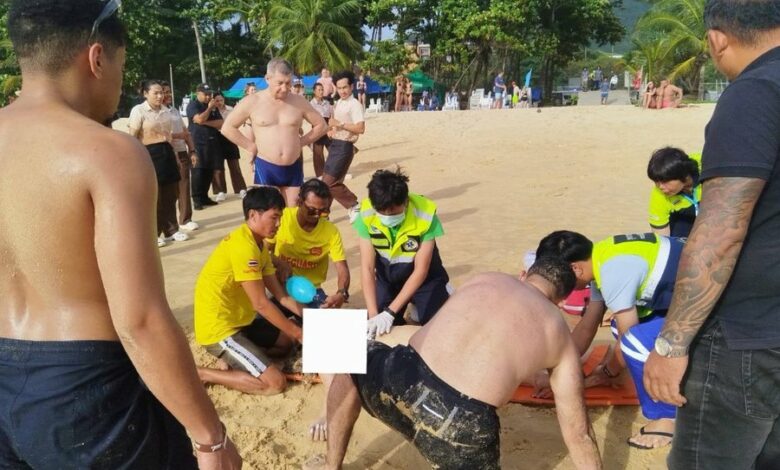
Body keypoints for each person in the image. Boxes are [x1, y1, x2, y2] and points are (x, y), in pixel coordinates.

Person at [0, 1, 241, 467]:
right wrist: (210, 438)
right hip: (83, 390)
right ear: (96, 58)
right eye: (121, 65)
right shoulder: (107, 152)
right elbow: (140, 321)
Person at [644, 2, 780, 468]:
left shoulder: (755, 93)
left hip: (749, 334)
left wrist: (671, 344)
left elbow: (722, 230)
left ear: (717, 39)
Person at [304, 267, 602, 470]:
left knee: (352, 357)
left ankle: (331, 464)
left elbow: (422, 335)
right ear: (561, 300)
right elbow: (579, 434)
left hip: (404, 382)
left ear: (524, 273)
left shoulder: (486, 278)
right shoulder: (558, 331)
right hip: (462, 426)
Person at [536, 230, 685, 449]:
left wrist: (607, 372)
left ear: (575, 268)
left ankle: (668, 416)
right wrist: (558, 369)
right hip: (688, 300)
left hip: (719, 307)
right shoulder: (601, 259)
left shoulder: (613, 272)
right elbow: (588, 325)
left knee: (634, 343)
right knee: (619, 326)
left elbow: (628, 337)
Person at [194, 187, 303, 395]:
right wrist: (299, 333)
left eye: (280, 217)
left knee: (286, 343)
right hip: (220, 329)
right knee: (275, 384)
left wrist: (313, 320)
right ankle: (203, 373)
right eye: (274, 217)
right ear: (253, 215)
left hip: (242, 320)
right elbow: (260, 304)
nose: (279, 224)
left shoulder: (259, 245)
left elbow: (282, 296)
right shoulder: (244, 247)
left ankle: (239, 359)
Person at [266, 178, 350, 440]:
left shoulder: (330, 231)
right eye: (311, 209)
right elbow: (261, 251)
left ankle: (329, 406)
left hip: (311, 293)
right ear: (299, 201)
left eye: (323, 211)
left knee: (333, 339)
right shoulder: (282, 220)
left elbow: (342, 269)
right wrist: (278, 262)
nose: (317, 216)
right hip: (277, 289)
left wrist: (342, 292)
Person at [355, 168, 451, 337]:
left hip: (424, 278)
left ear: (405, 202)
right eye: (382, 212)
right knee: (380, 326)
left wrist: (389, 312)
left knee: (436, 325)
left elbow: (421, 270)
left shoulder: (425, 214)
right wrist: (374, 314)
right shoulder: (366, 214)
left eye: (393, 212)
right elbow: (367, 268)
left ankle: (425, 302)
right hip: (388, 276)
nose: (387, 216)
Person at [222, 58, 327, 206]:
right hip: (266, 166)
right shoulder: (253, 101)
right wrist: (250, 146)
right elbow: (227, 128)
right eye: (280, 83)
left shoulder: (299, 101)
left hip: (293, 165)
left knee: (293, 211)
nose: (284, 88)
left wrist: (301, 142)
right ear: (268, 78)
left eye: (288, 83)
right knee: (270, 211)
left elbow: (321, 125)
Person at [128, 80, 188, 248]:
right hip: (148, 153)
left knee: (171, 193)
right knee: (155, 195)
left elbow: (169, 137)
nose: (160, 96)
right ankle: (154, 233)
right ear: (145, 94)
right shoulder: (138, 111)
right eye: (156, 93)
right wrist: (135, 160)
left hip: (166, 152)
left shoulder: (166, 111)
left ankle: (171, 230)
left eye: (162, 92)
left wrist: (175, 157)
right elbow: (133, 136)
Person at [324, 70, 364, 221]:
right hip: (335, 145)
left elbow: (360, 128)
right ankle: (323, 214)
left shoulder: (355, 105)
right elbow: (337, 124)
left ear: (352, 86)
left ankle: (353, 205)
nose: (342, 91)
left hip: (345, 147)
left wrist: (339, 124)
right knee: (327, 182)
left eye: (345, 87)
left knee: (329, 182)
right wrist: (332, 130)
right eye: (339, 88)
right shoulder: (339, 102)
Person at [162, 81, 199, 232]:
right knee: (169, 191)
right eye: (164, 92)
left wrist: (192, 150)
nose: (167, 94)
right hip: (166, 153)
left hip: (181, 151)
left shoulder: (174, 110)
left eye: (168, 91)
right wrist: (179, 135)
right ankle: (167, 225)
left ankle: (185, 219)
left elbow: (186, 132)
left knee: (184, 186)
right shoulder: (156, 113)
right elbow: (160, 135)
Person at [647, 147, 702, 237]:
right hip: (684, 220)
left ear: (683, 175)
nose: (660, 187)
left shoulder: (707, 165)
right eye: (656, 181)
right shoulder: (658, 195)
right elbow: (663, 238)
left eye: (665, 181)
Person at [187, 83, 223, 210]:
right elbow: (199, 119)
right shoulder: (193, 105)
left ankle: (204, 196)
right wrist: (208, 110)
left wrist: (206, 121)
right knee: (198, 171)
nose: (208, 97)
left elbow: (220, 123)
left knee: (209, 170)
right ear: (198, 94)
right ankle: (197, 199)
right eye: (205, 94)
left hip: (211, 141)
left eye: (209, 94)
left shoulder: (213, 106)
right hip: (198, 142)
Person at [212, 92, 247, 200]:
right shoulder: (211, 111)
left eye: (221, 100)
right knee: (218, 167)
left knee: (234, 165)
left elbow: (238, 122)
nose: (219, 102)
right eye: (217, 100)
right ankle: (220, 191)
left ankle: (241, 189)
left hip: (230, 137)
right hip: (216, 138)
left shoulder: (230, 109)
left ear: (224, 100)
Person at [310, 82, 333, 177]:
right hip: (317, 129)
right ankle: (320, 175)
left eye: (322, 89)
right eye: (319, 90)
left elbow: (331, 116)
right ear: (314, 91)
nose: (321, 91)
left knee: (334, 152)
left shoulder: (327, 103)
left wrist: (331, 128)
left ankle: (334, 172)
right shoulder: (310, 104)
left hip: (327, 129)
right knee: (318, 155)